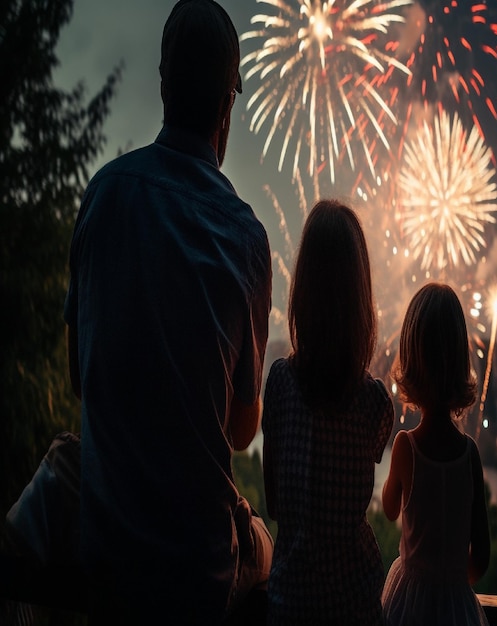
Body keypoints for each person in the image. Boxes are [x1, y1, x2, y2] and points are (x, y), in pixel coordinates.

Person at [63, 1, 273, 624]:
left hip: (100, 565)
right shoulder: (243, 235)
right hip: (195, 577)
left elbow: (81, 377)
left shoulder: (103, 196)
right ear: (227, 104)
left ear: (162, 86)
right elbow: (238, 432)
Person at [261, 199, 395, 625]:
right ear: (361, 302)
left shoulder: (280, 384)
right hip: (357, 604)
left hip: (290, 603)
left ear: (301, 293)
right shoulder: (375, 404)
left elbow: (275, 504)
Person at [381, 282, 491, 625]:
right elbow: (481, 555)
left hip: (409, 604)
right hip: (457, 606)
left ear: (410, 361)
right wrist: (452, 587)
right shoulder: (470, 454)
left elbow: (387, 509)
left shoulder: (405, 447)